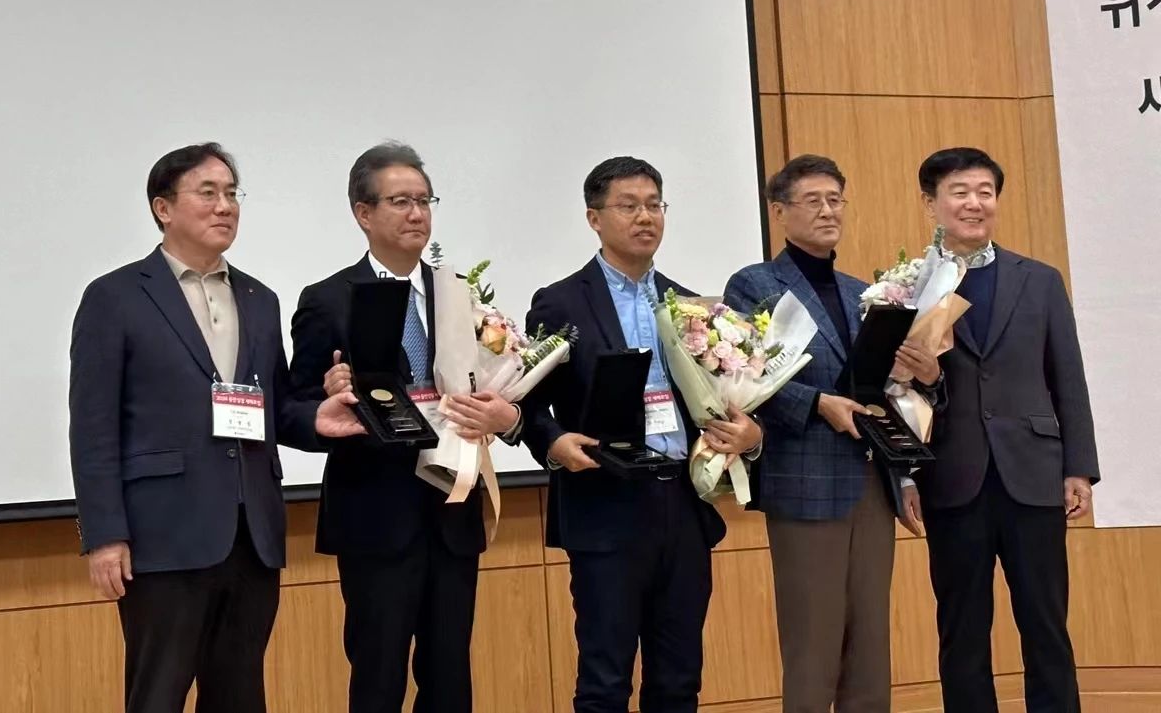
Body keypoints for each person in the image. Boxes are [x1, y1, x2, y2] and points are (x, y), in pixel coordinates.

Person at [68, 143, 363, 713]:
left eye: (231, 193)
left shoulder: (259, 299)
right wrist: (104, 534)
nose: (225, 206)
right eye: (208, 193)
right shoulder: (115, 298)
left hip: (251, 534)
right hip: (163, 536)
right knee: (158, 695)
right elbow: (93, 427)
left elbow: (274, 407)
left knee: (240, 695)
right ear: (163, 208)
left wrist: (316, 419)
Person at [288, 142, 524, 713]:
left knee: (450, 676)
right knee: (378, 675)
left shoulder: (458, 294)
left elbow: (488, 381)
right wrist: (329, 400)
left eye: (424, 201)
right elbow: (297, 405)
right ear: (363, 213)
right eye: (400, 201)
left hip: (451, 506)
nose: (417, 213)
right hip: (375, 514)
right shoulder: (327, 300)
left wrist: (500, 412)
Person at [521, 156, 761, 713]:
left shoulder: (691, 305)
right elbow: (525, 401)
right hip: (604, 502)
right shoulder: (561, 302)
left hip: (681, 502)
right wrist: (552, 442)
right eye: (628, 206)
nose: (645, 217)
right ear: (594, 218)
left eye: (654, 205)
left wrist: (747, 431)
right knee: (605, 682)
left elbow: (721, 396)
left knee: (678, 679)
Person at [724, 154, 943, 713]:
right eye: (812, 201)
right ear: (779, 212)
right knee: (813, 647)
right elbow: (744, 378)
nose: (827, 211)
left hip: (871, 481)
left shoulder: (860, 291)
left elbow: (879, 389)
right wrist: (818, 404)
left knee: (870, 646)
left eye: (835, 200)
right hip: (805, 481)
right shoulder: (755, 286)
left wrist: (905, 470)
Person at [914, 147, 1099, 713]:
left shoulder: (1039, 280)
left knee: (1046, 624)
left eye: (984, 192)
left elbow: (1067, 376)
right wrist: (906, 473)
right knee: (962, 630)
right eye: (959, 192)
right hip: (952, 477)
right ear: (931, 204)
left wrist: (1079, 468)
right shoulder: (909, 287)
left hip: (1033, 475)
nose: (974, 203)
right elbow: (896, 393)